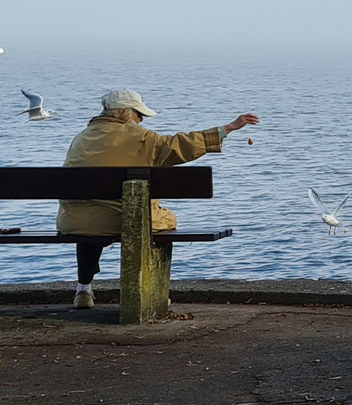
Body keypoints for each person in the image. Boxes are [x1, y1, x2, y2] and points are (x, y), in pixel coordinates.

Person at [57, 89, 260, 308]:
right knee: (163, 220)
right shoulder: (142, 139)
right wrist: (227, 129)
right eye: (138, 114)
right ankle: (149, 294)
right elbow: (182, 146)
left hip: (74, 221)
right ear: (124, 112)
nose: (141, 120)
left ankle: (83, 290)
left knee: (92, 220)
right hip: (122, 221)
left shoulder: (81, 137)